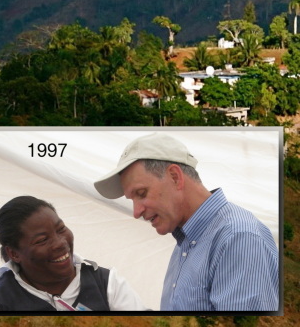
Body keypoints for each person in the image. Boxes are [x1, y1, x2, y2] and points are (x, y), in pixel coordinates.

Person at [93, 132, 278, 312]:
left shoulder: (238, 238)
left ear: (175, 177)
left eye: (141, 194)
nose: (136, 212)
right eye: (132, 199)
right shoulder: (187, 242)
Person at [0, 196, 144, 311]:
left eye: (61, 229)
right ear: (14, 253)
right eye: (42, 240)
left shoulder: (107, 284)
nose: (60, 243)